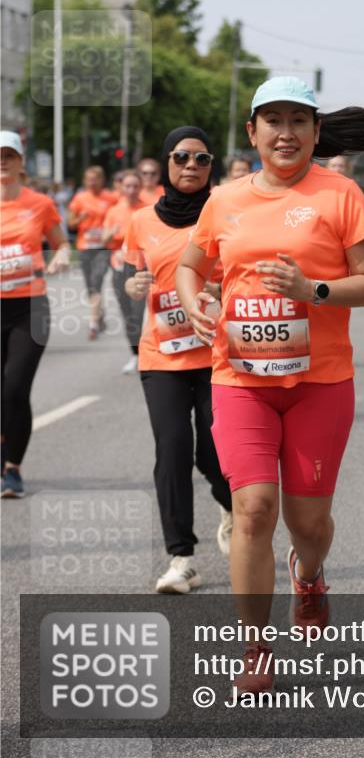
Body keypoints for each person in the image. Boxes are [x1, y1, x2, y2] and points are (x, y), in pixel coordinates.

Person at [176, 76, 364, 695]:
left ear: (316, 132)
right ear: (252, 133)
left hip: (320, 381)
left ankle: (311, 574)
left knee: (308, 523)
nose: (286, 132)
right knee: (252, 510)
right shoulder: (224, 200)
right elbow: (192, 266)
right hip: (238, 378)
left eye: (299, 120)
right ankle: (254, 646)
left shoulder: (340, 193)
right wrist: (195, 305)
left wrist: (312, 291)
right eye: (272, 120)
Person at [123, 128, 232, 593]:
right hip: (161, 356)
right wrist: (134, 287)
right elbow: (137, 276)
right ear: (166, 163)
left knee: (212, 451)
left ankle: (232, 506)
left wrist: (215, 290)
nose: (191, 165)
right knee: (171, 450)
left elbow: (244, 278)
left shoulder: (226, 215)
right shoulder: (140, 221)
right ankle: (181, 558)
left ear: (212, 167)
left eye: (202, 159)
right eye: (182, 157)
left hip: (217, 354)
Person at [1, 131, 70, 498]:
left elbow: (61, 243)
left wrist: (60, 256)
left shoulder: (39, 203)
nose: (2, 161)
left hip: (30, 307)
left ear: (21, 161)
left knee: (15, 388)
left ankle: (13, 468)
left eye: (9, 154)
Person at [102, 169, 148, 374]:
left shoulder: (147, 210)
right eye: (127, 186)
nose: (131, 190)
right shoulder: (114, 211)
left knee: (140, 314)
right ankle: (135, 355)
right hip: (119, 267)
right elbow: (104, 239)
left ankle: (146, 353)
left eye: (135, 186)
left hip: (139, 268)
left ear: (140, 187)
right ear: (120, 187)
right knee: (127, 314)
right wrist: (111, 234)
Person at [68, 166, 116, 340]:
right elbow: (71, 223)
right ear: (85, 181)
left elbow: (119, 216)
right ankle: (99, 312)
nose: (93, 182)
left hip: (103, 248)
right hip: (85, 247)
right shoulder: (80, 198)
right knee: (90, 286)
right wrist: (80, 218)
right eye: (89, 179)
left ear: (102, 180)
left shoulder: (111, 198)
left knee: (97, 280)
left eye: (96, 178)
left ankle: (93, 324)